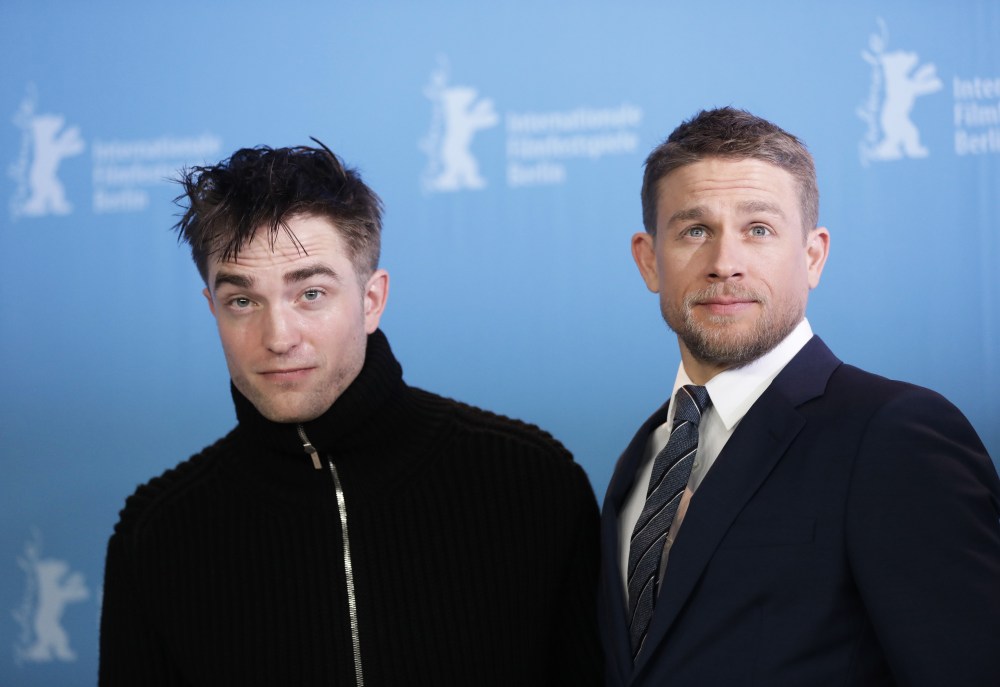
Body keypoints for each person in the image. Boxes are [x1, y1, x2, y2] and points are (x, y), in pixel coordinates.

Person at [99, 143, 602, 686]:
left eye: (311, 293)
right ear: (212, 309)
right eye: (242, 301)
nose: (278, 338)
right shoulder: (157, 534)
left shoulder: (533, 480)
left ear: (371, 300)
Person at [598, 107, 1000, 686]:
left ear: (813, 256)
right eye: (695, 231)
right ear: (648, 259)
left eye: (758, 229)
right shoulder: (644, 455)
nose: (724, 264)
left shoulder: (894, 435)